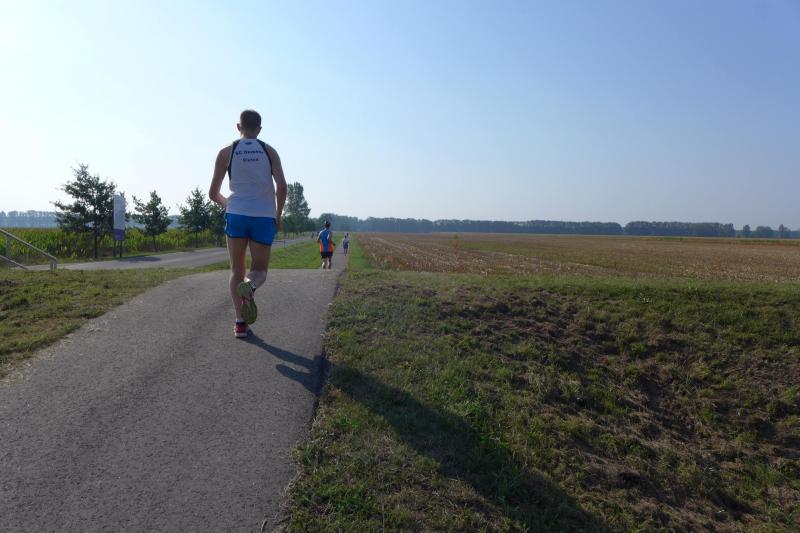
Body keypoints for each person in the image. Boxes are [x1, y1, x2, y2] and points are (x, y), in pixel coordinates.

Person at [209, 109, 288, 338]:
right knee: (259, 270)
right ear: (259, 129)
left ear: (238, 127)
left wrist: (230, 205)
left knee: (236, 270)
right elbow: (282, 186)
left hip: (236, 214)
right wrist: (278, 215)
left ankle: (240, 324)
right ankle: (250, 286)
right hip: (264, 215)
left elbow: (213, 193)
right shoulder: (269, 151)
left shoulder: (226, 152)